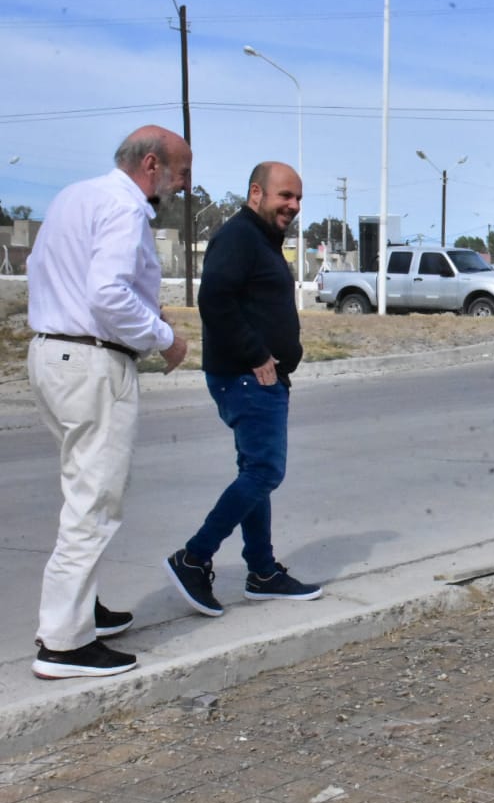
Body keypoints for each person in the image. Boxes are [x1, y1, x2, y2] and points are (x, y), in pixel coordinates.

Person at [26, 125, 191, 679]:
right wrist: (166, 338)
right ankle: (64, 645)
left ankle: (79, 611)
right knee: (95, 500)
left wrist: (146, 317)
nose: (183, 187)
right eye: (181, 174)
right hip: (94, 363)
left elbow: (55, 276)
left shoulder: (74, 196)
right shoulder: (126, 209)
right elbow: (107, 294)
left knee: (81, 486)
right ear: (151, 165)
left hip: (51, 354)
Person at [164, 161, 321, 616]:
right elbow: (213, 299)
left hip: (258, 377)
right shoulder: (238, 236)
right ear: (256, 193)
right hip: (248, 377)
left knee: (256, 472)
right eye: (284, 196)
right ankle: (193, 558)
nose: (292, 206)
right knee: (265, 472)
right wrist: (257, 354)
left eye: (298, 199)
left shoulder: (261, 240)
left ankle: (263, 572)